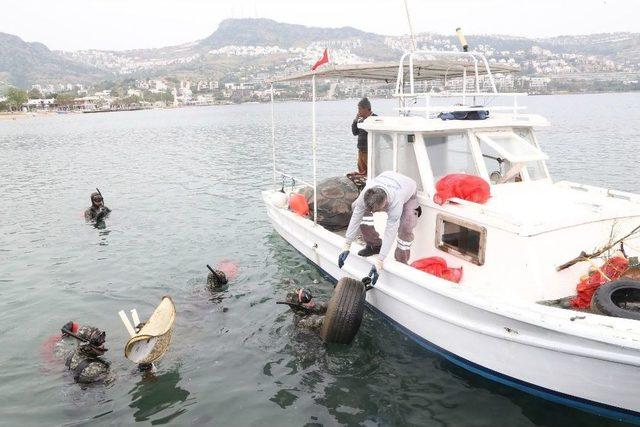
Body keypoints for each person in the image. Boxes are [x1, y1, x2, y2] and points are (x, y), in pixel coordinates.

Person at [338, 171, 420, 284]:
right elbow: (357, 215)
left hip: (409, 190)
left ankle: (402, 259)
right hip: (387, 177)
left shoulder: (396, 201)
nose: (376, 213)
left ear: (386, 203)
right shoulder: (366, 193)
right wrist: (347, 245)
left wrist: (380, 260)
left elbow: (390, 231)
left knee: (407, 224)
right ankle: (374, 245)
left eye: (378, 210)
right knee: (357, 207)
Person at [351, 97, 376, 176]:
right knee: (362, 173)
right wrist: (355, 121)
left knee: (371, 173)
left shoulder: (375, 119)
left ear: (366, 109)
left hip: (369, 152)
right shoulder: (361, 120)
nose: (358, 111)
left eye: (359, 109)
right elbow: (355, 132)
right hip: (361, 151)